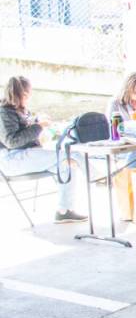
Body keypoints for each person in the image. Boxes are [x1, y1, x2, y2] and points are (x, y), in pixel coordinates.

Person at [0, 76, 87, 223]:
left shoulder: (20, 110)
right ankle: (102, 177)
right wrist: (39, 126)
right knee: (73, 155)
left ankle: (64, 210)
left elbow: (24, 131)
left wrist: (36, 121)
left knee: (67, 162)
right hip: (11, 159)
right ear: (24, 94)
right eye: (28, 94)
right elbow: (12, 141)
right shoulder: (3, 112)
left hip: (25, 155)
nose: (29, 98)